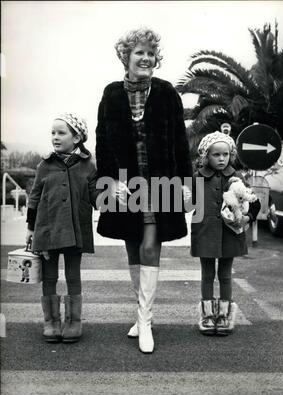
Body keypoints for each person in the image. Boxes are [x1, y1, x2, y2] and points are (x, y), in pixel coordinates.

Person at [95, 28, 193, 353]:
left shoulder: (166, 93)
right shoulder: (110, 94)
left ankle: (146, 321)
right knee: (133, 250)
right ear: (126, 56)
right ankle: (139, 316)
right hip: (126, 186)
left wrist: (187, 184)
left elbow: (180, 141)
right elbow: (103, 144)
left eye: (151, 53)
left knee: (151, 246)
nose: (146, 58)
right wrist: (111, 180)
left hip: (160, 183)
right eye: (139, 52)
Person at [26, 113, 99, 343]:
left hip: (76, 228)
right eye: (53, 133)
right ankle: (51, 321)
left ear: (77, 137)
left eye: (61, 133)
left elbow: (96, 192)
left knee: (72, 275)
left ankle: (73, 321)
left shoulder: (88, 164)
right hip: (47, 228)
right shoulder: (44, 164)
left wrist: (109, 196)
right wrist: (30, 228)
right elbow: (34, 198)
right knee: (49, 277)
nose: (55, 137)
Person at [191, 131, 261, 336]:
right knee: (207, 274)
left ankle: (224, 315)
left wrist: (247, 218)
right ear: (206, 156)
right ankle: (206, 314)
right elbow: (187, 205)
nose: (222, 159)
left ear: (231, 155)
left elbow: (254, 202)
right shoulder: (197, 178)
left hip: (230, 233)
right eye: (216, 155)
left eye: (225, 154)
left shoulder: (237, 178)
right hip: (204, 232)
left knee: (225, 274)